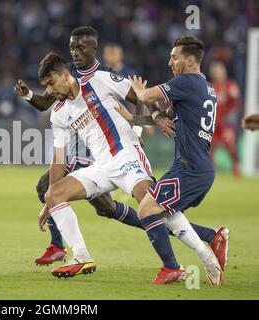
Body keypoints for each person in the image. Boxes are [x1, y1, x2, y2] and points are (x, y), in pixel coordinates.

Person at [15, 27, 225, 272]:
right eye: (72, 48)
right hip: (101, 165)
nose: (49, 91)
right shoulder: (59, 112)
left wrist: (149, 121)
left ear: (64, 75)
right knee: (54, 194)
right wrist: (48, 203)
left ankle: (200, 253)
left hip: (126, 156)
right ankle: (81, 257)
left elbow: (140, 96)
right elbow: (58, 157)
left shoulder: (100, 78)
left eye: (51, 84)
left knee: (153, 207)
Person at [14, 26, 153, 266]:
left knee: (120, 206)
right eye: (72, 48)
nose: (75, 53)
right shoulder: (68, 75)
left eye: (80, 48)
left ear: (95, 50)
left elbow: (141, 99)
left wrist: (139, 128)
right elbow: (45, 102)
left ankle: (188, 236)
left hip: (104, 150)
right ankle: (62, 247)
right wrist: (28, 96)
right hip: (86, 149)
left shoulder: (105, 75)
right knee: (60, 193)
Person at [127, 37, 230, 285]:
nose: (170, 62)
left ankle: (175, 267)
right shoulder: (205, 88)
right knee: (165, 213)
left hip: (190, 168)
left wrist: (138, 89)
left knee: (146, 209)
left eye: (175, 57)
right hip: (195, 167)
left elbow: (146, 94)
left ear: (190, 60)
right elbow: (166, 119)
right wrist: (147, 117)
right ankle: (213, 242)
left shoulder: (187, 81)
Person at [209, 61, 241, 176]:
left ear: (224, 72)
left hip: (226, 124)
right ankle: (211, 172)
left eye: (219, 71)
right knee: (210, 148)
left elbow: (236, 104)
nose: (217, 73)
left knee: (230, 146)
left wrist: (230, 119)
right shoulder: (210, 87)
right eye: (215, 72)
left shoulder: (230, 85)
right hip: (212, 124)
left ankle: (237, 168)